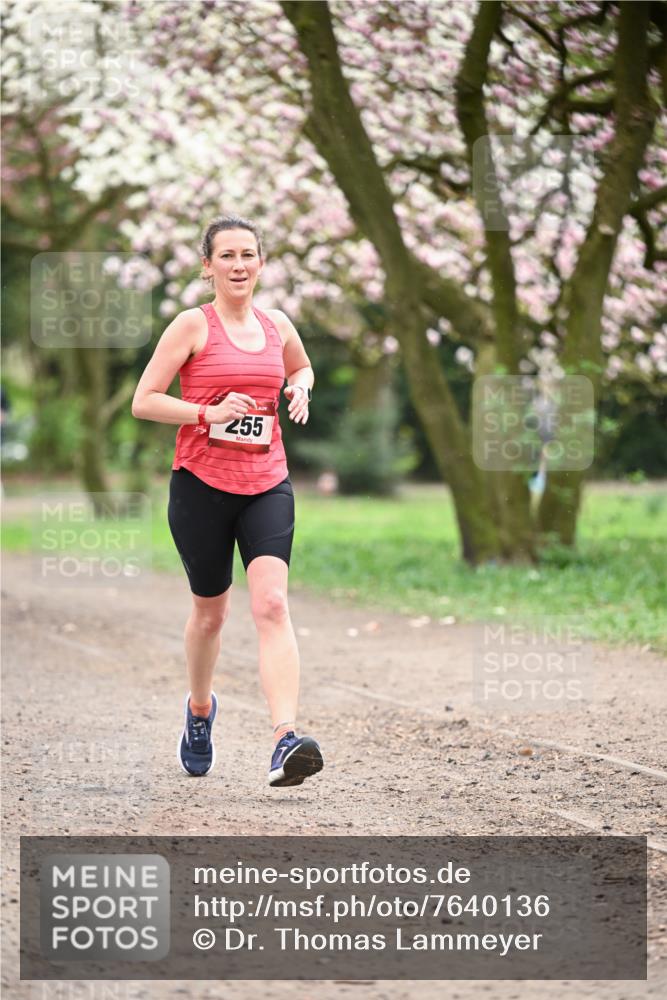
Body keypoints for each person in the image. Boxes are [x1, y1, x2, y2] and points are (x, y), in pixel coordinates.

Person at [131, 214, 323, 788]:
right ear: (207, 265)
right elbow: (145, 400)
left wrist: (300, 386)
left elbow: (302, 365)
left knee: (273, 604)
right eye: (227, 256)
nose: (239, 265)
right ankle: (199, 710)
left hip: (267, 482)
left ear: (261, 263)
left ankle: (285, 739)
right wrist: (206, 413)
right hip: (201, 486)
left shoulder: (278, 325)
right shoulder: (192, 325)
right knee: (211, 614)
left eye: (248, 255)